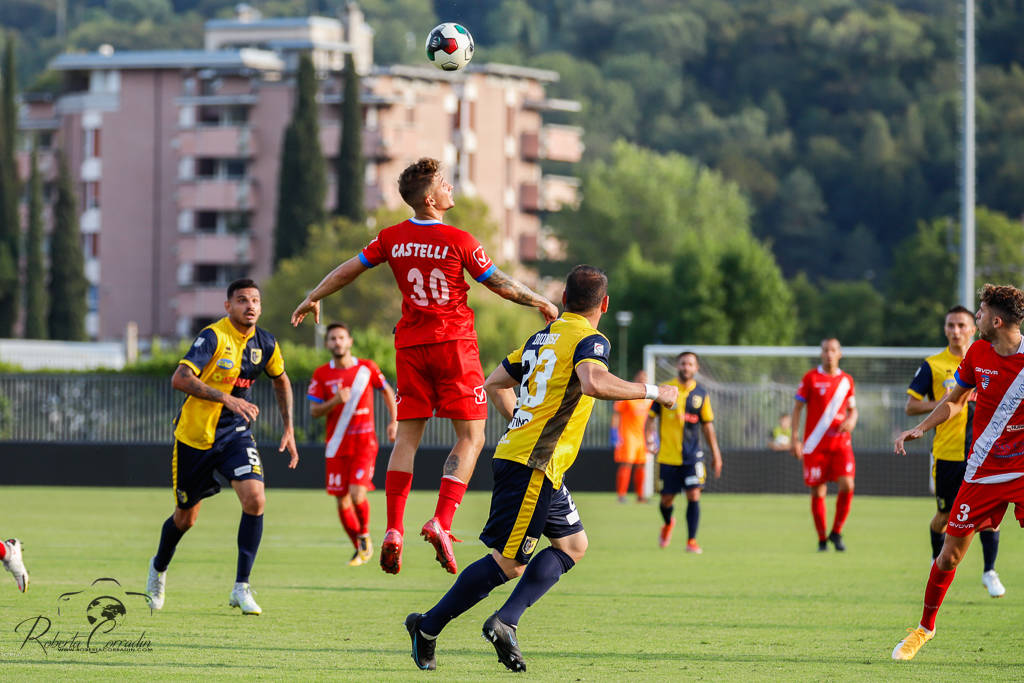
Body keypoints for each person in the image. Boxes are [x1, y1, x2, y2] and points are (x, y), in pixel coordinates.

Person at [403, 265, 678, 672]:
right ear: (604, 304)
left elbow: (494, 382)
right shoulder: (590, 338)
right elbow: (594, 383)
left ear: (564, 299)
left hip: (537, 463)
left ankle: (505, 620)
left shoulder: (541, 336)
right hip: (532, 463)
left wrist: (519, 421)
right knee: (509, 563)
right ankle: (427, 627)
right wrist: (655, 391)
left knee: (573, 546)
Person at [291, 158, 557, 576]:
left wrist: (314, 295)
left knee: (408, 438)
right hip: (453, 345)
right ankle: (441, 521)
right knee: (471, 435)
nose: (452, 189)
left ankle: (394, 529)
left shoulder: (391, 238)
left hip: (411, 346)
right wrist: (539, 299)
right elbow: (499, 283)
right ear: (431, 199)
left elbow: (349, 269)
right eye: (446, 185)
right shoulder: (458, 239)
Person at [146, 279, 299, 616]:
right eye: (242, 300)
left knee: (255, 499)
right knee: (185, 519)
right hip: (195, 437)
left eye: (255, 300)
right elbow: (180, 378)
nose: (250, 306)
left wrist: (289, 427)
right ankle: (158, 568)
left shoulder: (266, 343)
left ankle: (241, 587)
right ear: (228, 306)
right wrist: (226, 397)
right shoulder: (213, 336)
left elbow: (281, 379)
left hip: (235, 435)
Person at [892, 284, 1024, 660]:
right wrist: (921, 427)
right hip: (981, 471)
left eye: (980, 313)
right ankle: (924, 629)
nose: (975, 318)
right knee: (949, 555)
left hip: (1022, 470)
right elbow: (954, 403)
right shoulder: (979, 353)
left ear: (995, 321)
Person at [905, 305, 1005, 598]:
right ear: (945, 329)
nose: (956, 330)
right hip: (947, 453)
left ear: (973, 329)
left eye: (962, 325)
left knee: (988, 516)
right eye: (951, 325)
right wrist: (949, 400)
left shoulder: (990, 360)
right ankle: (937, 563)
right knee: (945, 516)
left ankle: (989, 571)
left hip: (984, 452)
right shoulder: (933, 364)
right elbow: (911, 405)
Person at [308, 323, 398, 566]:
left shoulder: (366, 368)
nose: (337, 342)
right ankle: (362, 544)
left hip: (364, 443)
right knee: (341, 499)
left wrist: (394, 421)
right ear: (327, 344)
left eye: (341, 338)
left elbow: (387, 391)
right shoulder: (321, 374)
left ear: (350, 341)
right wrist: (335, 400)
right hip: (336, 444)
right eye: (332, 339)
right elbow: (314, 411)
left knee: (358, 493)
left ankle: (365, 535)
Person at [646, 352, 723, 553]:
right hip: (667, 457)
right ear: (677, 366)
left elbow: (708, 426)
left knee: (694, 495)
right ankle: (668, 522)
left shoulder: (701, 394)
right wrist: (648, 438)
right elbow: (650, 417)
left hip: (692, 456)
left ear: (696, 368)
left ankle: (691, 541)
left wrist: (716, 454)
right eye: (683, 363)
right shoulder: (665, 390)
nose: (686, 367)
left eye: (690, 364)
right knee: (666, 500)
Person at [790, 338, 858, 551]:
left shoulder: (847, 380)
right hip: (815, 444)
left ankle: (836, 532)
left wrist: (852, 420)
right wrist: (795, 438)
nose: (829, 354)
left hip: (841, 444)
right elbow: (797, 409)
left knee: (848, 485)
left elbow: (853, 408)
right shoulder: (810, 377)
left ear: (840, 353)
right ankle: (822, 539)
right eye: (826, 350)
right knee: (818, 491)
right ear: (821, 353)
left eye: (833, 350)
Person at [611, 369, 652, 503]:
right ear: (636, 379)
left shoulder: (649, 399)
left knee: (642, 464)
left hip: (643, 436)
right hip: (628, 435)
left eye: (645, 377)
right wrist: (614, 433)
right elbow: (616, 413)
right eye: (640, 377)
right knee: (627, 463)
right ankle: (621, 495)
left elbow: (652, 418)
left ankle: (640, 496)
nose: (643, 379)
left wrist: (653, 435)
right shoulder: (628, 395)